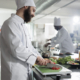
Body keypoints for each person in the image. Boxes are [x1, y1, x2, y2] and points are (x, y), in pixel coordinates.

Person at [1, 0, 53, 80]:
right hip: (14, 74)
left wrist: (41, 58)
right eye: (33, 10)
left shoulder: (24, 26)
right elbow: (17, 49)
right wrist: (36, 58)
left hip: (26, 72)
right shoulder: (10, 23)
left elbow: (29, 48)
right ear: (25, 6)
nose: (33, 15)